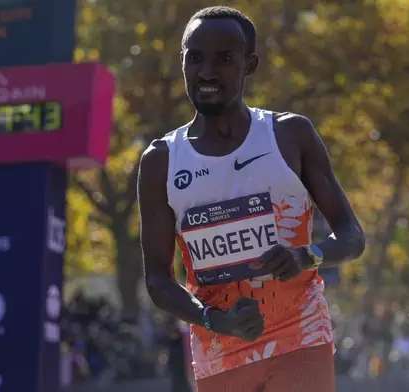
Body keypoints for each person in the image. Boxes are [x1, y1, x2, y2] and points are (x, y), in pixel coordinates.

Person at [137, 6, 365, 392]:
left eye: (224, 58)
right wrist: (213, 319)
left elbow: (352, 235)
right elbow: (159, 280)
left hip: (300, 334)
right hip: (220, 348)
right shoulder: (161, 161)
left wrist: (305, 256)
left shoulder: (290, 135)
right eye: (194, 58)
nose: (206, 72)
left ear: (250, 65)